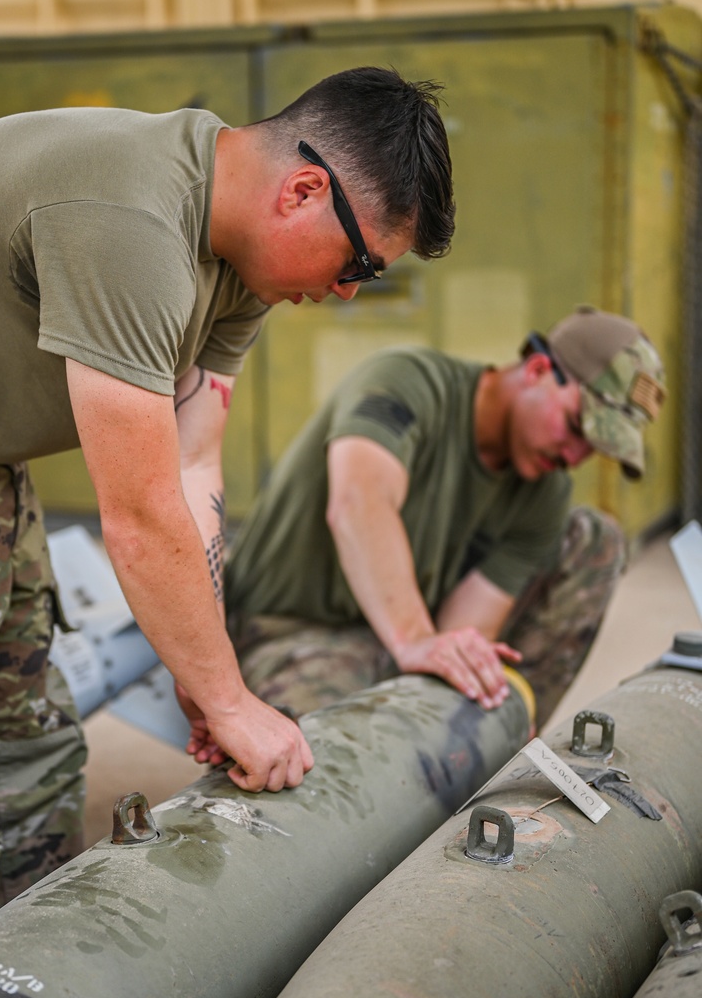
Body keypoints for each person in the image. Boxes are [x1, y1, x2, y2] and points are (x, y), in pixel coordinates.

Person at [0, 66, 455, 998]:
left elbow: (195, 468)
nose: (350, 293)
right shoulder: (133, 219)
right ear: (305, 190)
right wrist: (231, 700)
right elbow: (140, 510)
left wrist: (206, 676)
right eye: (360, 264)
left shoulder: (234, 264)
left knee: (31, 755)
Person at [226, 307, 666, 728]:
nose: (575, 455)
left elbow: (462, 630)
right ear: (536, 370)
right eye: (575, 425)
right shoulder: (408, 381)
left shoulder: (545, 491)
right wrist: (416, 640)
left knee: (595, 540)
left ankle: (494, 746)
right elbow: (359, 503)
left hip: (392, 644)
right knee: (327, 770)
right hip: (291, 631)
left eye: (594, 448)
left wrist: (465, 695)